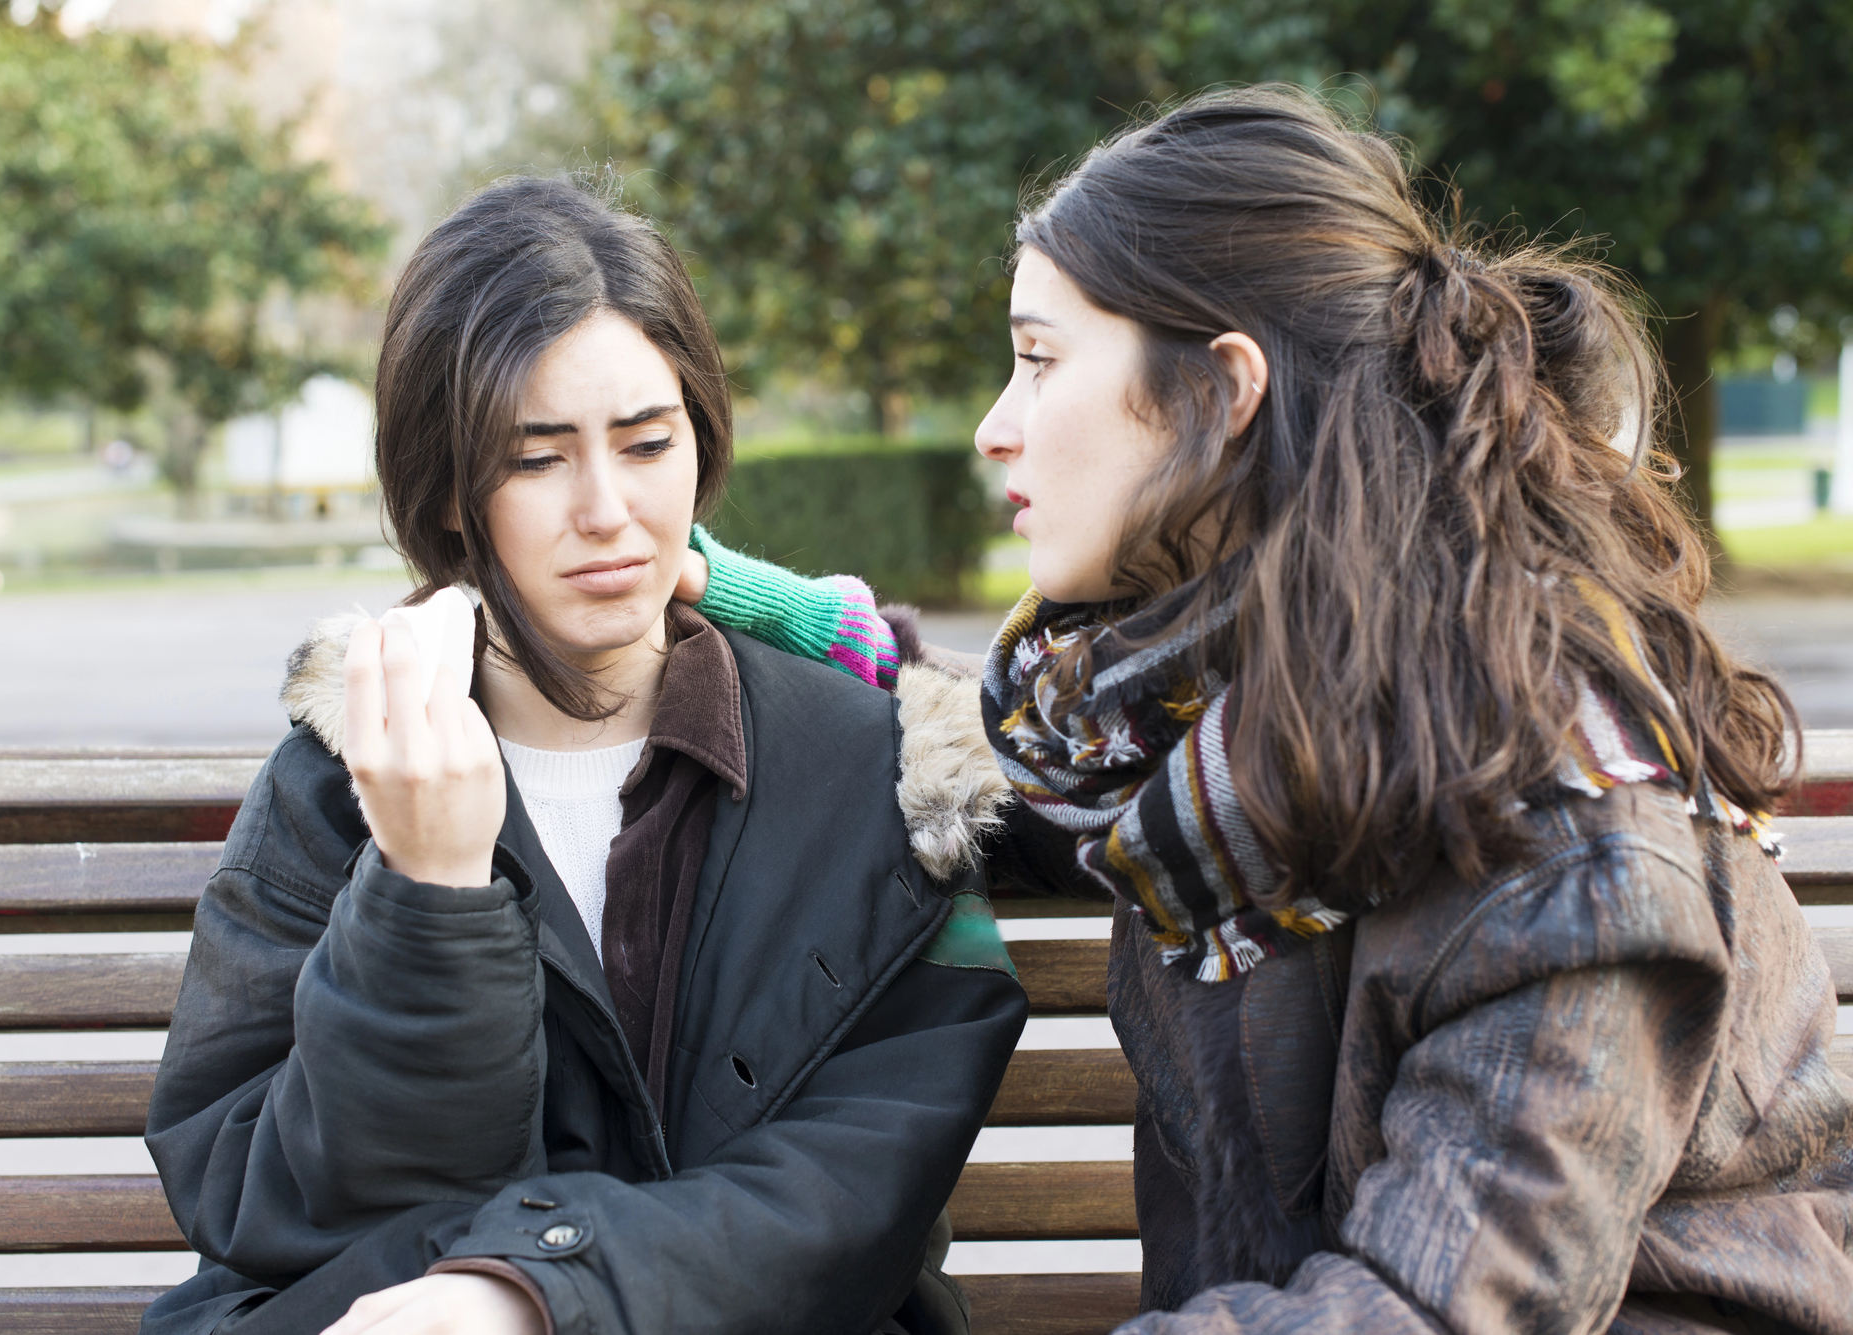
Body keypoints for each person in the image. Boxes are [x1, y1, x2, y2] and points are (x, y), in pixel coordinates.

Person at [679, 87, 1853, 1333]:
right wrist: (744, 600)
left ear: (1219, 392)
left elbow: (1434, 1307)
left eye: (1037, 361)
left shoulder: (1564, 821)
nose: (994, 428)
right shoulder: (1199, 713)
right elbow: (996, 766)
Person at [140, 176, 1028, 1335]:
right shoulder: (336, 781)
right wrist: (430, 897)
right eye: (535, 458)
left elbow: (855, 1199)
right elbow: (262, 1202)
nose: (608, 509)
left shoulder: (874, 775)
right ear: (450, 490)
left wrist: (525, 1298)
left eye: (647, 443)